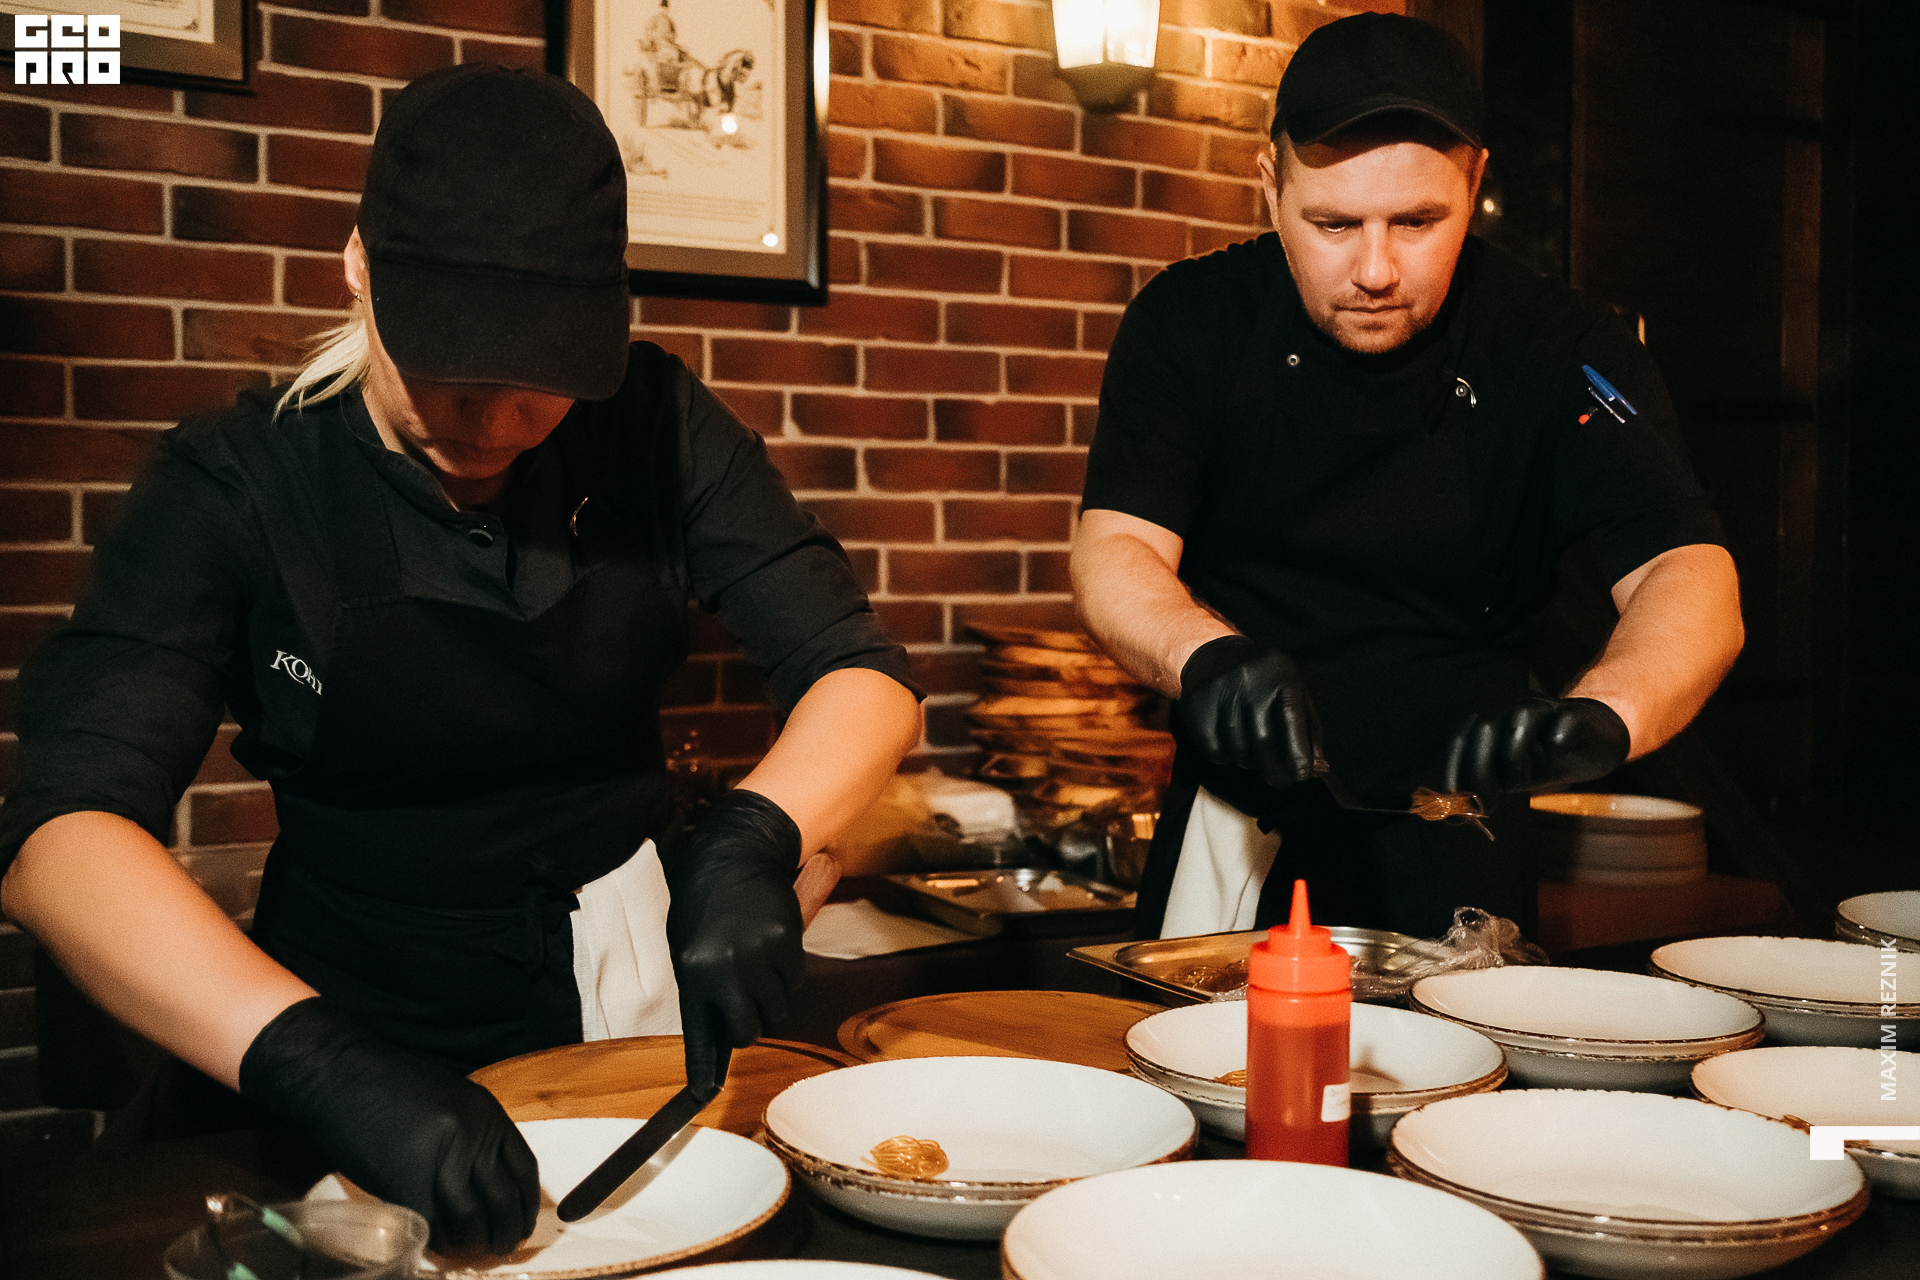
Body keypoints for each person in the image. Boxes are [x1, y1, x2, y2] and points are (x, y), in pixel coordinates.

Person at [0, 65, 922, 1254]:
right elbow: (60, 837)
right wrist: (317, 1060)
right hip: (341, 1022)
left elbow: (858, 668)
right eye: (452, 368)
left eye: (539, 383)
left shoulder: (654, 420)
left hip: (621, 1008)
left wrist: (758, 832)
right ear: (359, 267)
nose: (490, 422)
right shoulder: (238, 480)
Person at [1071, 14, 1742, 943]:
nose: (1376, 270)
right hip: (1236, 827)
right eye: (1333, 224)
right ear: (1270, 187)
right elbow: (1114, 551)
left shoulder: (1565, 348)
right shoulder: (1190, 321)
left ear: (1476, 183)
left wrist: (1610, 709)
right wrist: (1203, 655)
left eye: (1419, 222)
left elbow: (1688, 570)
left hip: (1464, 827)